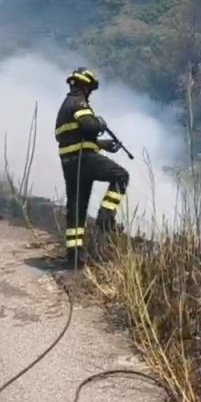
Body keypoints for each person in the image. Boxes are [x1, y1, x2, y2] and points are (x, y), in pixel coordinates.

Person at [54, 67, 129, 269]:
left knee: (77, 208)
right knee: (121, 176)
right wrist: (99, 122)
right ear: (85, 85)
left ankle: (74, 257)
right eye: (90, 89)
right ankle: (106, 216)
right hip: (83, 160)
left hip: (70, 163)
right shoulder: (78, 102)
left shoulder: (65, 106)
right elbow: (89, 127)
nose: (91, 93)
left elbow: (75, 138)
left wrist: (102, 145)